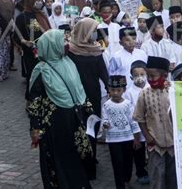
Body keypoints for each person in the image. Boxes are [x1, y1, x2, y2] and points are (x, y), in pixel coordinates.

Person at [28, 29, 92, 189]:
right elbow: (34, 102)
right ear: (53, 46)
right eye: (62, 41)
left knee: (75, 156)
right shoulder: (42, 71)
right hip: (54, 126)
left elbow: (79, 89)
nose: (67, 44)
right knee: (58, 160)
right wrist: (35, 128)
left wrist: (88, 110)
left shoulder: (69, 63)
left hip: (73, 120)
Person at [68, 18, 109, 180]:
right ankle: (82, 159)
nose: (95, 34)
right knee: (79, 128)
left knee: (92, 127)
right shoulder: (71, 51)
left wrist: (111, 89)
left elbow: (104, 75)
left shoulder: (97, 51)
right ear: (84, 32)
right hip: (76, 97)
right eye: (92, 30)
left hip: (93, 96)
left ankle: (91, 158)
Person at [133, 56, 177, 189]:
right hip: (155, 144)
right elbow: (139, 117)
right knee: (156, 178)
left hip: (174, 144)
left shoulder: (174, 91)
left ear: (165, 75)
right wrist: (147, 136)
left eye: (153, 76)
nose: (150, 79)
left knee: (173, 178)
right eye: (148, 76)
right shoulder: (144, 94)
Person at [102, 75, 141, 189]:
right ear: (108, 90)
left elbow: (133, 121)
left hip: (128, 138)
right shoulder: (106, 105)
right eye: (112, 90)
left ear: (123, 90)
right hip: (113, 140)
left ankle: (127, 179)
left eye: (118, 90)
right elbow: (105, 119)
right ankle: (120, 185)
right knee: (117, 163)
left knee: (128, 162)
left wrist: (137, 138)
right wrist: (105, 124)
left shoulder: (128, 104)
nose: (115, 93)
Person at [14, 0, 51, 99]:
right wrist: (23, 42)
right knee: (34, 77)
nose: (40, 2)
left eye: (41, 0)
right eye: (37, 0)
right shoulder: (22, 17)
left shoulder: (42, 15)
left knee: (46, 77)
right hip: (31, 54)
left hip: (45, 52)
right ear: (30, 0)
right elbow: (16, 36)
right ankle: (31, 101)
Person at [123, 60, 150, 185]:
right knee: (138, 152)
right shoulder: (128, 93)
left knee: (152, 151)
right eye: (136, 75)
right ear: (131, 77)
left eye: (142, 74)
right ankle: (141, 173)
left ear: (147, 74)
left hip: (151, 127)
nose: (139, 78)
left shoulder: (151, 88)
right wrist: (136, 135)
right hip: (137, 128)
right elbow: (131, 115)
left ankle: (151, 171)